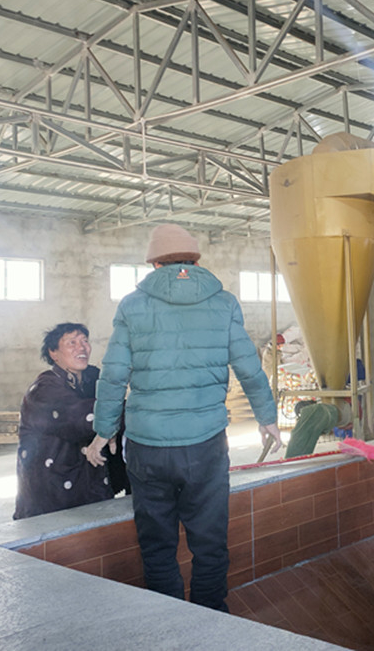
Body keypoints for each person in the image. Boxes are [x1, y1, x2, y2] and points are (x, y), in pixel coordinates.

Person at [84, 223, 282, 612]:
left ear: (155, 263)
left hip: (147, 447)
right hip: (205, 444)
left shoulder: (132, 305)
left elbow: (114, 374)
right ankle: (212, 616)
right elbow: (249, 367)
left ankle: (170, 622)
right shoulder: (224, 302)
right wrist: (267, 417)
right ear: (195, 260)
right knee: (210, 542)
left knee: (157, 544)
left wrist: (103, 431)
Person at [14, 323, 125, 520]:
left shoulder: (93, 379)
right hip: (53, 495)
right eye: (72, 343)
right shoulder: (43, 389)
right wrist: (112, 422)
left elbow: (114, 403)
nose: (81, 347)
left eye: (84, 341)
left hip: (92, 487)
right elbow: (78, 417)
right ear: (53, 353)